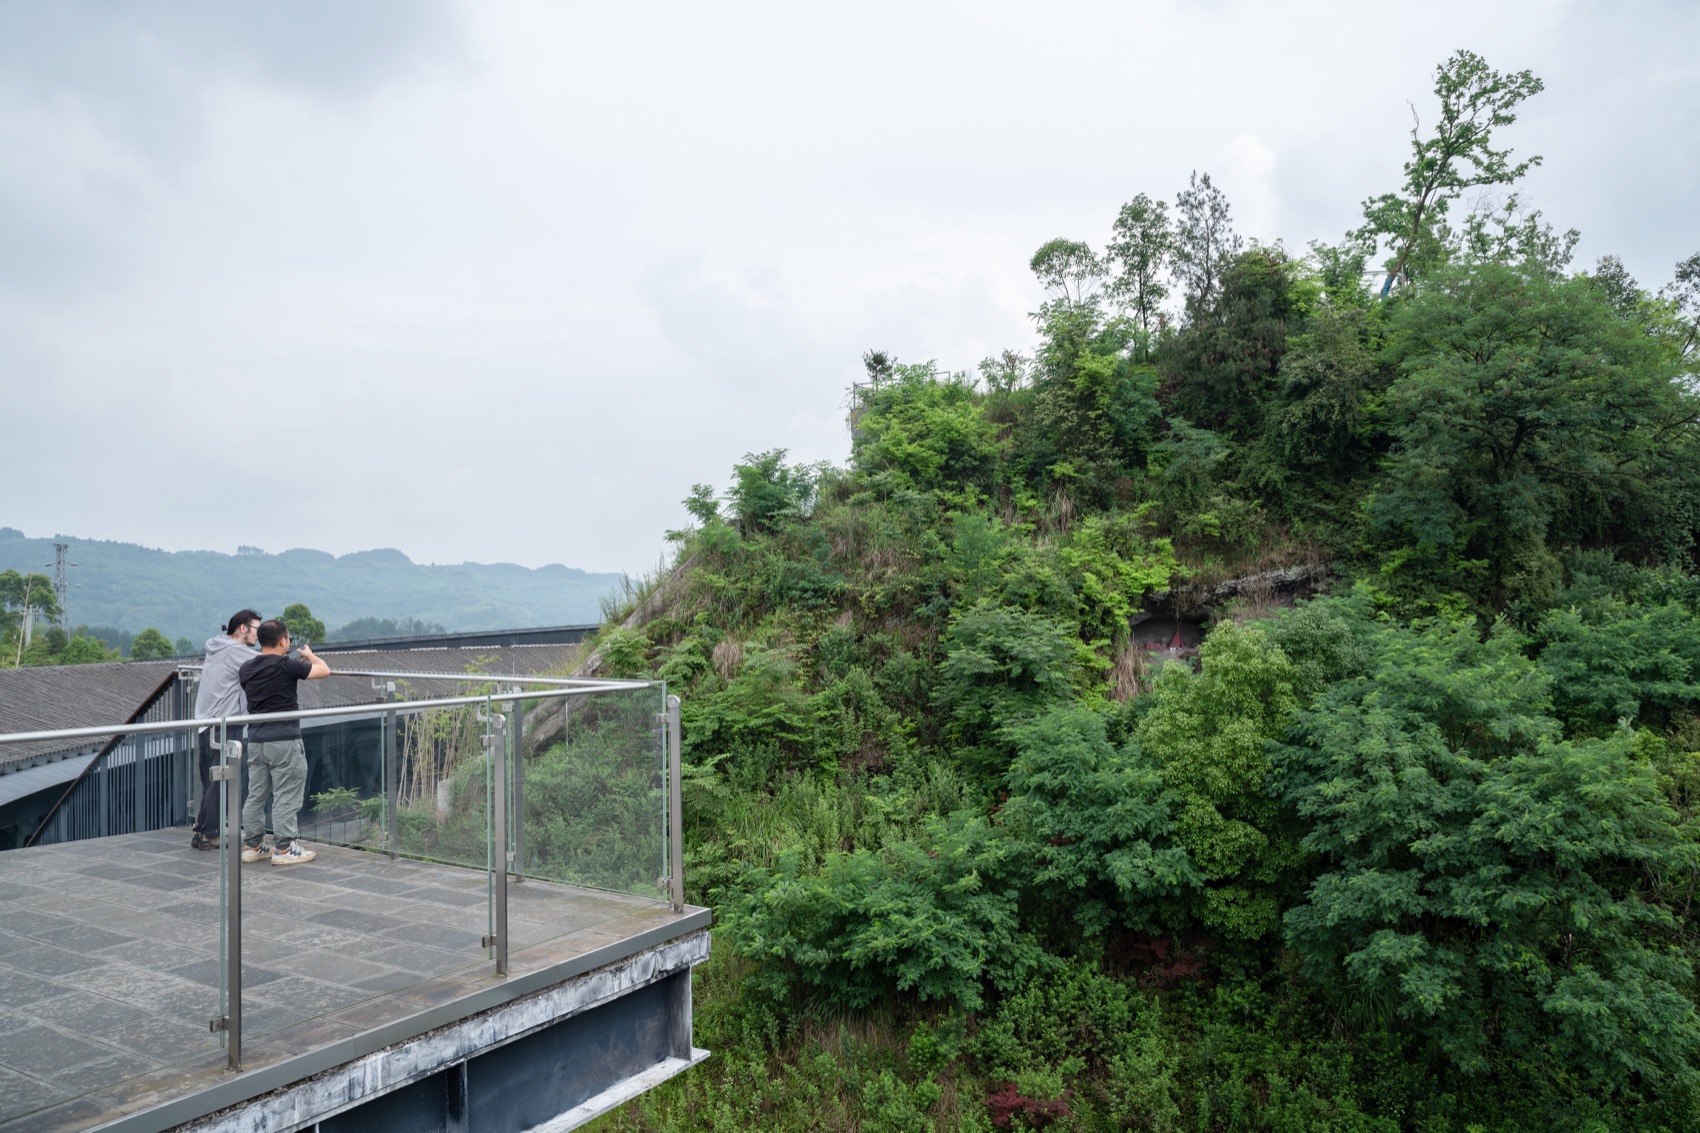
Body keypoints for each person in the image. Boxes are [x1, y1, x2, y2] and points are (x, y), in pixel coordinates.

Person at [238, 619, 330, 866]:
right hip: (284, 741)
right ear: (283, 641)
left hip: (256, 740)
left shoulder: (246, 669)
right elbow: (324, 670)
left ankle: (252, 845)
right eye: (288, 638)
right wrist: (310, 656)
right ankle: (284, 848)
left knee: (256, 794)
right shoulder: (286, 666)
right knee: (286, 795)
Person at [190, 609, 261, 850]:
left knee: (211, 781)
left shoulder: (217, 647)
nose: (258, 636)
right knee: (221, 781)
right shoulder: (235, 651)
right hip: (224, 723)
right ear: (243, 628)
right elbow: (266, 665)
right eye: (256, 630)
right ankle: (210, 834)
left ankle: (202, 830)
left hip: (206, 724)